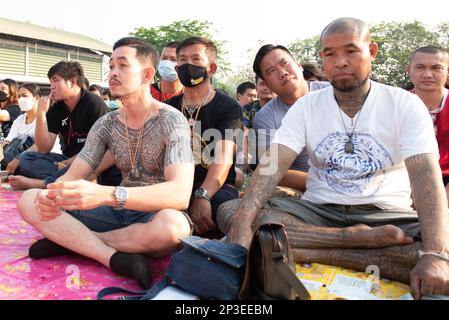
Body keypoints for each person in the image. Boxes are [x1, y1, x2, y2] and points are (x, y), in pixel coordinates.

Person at [226, 17, 449, 300]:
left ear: (372, 51)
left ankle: (298, 249)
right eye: (330, 54)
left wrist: (435, 254)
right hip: (319, 212)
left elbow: (425, 175)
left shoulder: (404, 104)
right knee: (233, 210)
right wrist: (243, 221)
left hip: (386, 214)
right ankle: (354, 242)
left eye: (351, 51)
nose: (340, 61)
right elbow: (272, 166)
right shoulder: (306, 107)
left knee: (439, 244)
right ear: (322, 58)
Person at [17, 37, 194, 289]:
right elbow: (74, 174)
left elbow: (179, 194)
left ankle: (73, 243)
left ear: (146, 75)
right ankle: (112, 257)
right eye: (111, 66)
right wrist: (53, 194)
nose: (113, 73)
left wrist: (106, 195)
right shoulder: (106, 124)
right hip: (114, 214)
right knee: (30, 199)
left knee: (174, 228)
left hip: (151, 215)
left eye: (122, 66)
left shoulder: (171, 120)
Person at [165, 36, 243, 236]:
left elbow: (224, 158)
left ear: (212, 68)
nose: (187, 65)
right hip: (174, 184)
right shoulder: (169, 108)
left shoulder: (227, 107)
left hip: (215, 187)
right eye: (182, 60)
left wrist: (203, 195)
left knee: (225, 216)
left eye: (196, 59)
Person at [8, 61, 110, 190]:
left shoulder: (93, 103)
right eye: (51, 82)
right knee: (27, 159)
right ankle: (67, 180)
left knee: (99, 170)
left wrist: (71, 162)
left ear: (72, 81)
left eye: (56, 81)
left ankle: (45, 183)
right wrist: (41, 114)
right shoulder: (57, 107)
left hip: (91, 160)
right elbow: (44, 148)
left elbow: (100, 148)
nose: (52, 86)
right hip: (66, 161)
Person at [252, 44, 329, 191]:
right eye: (272, 71)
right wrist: (328, 183)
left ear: (299, 65)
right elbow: (271, 171)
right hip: (305, 189)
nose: (282, 73)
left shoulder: (334, 93)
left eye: (285, 63)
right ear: (267, 84)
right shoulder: (265, 118)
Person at [407, 46, 449, 204]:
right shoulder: (395, 104)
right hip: (406, 180)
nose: (427, 74)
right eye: (420, 67)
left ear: (447, 71)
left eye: (436, 68)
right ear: (409, 70)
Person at [1, 83, 41, 174]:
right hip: (19, 159)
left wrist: (19, 159)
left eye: (24, 96)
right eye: (19, 96)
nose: (21, 99)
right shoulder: (20, 119)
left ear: (37, 98)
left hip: (37, 159)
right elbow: (8, 141)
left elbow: (40, 146)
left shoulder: (44, 119)